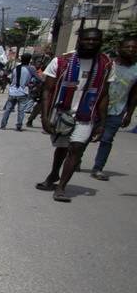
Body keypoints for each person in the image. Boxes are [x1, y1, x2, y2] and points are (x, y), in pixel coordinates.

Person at [36, 28, 112, 203]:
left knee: (76, 149)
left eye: (95, 40)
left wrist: (102, 123)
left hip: (86, 115)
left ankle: (61, 187)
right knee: (62, 147)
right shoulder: (62, 62)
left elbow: (104, 95)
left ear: (101, 42)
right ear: (80, 41)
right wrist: (45, 117)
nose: (91, 43)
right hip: (62, 112)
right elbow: (47, 92)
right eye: (87, 39)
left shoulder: (106, 65)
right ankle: (54, 175)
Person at [90, 34, 137, 180]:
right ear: (119, 48)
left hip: (117, 110)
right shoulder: (108, 64)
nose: (130, 49)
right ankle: (76, 159)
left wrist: (129, 114)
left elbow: (135, 94)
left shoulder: (136, 70)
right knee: (86, 136)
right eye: (127, 47)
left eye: (134, 48)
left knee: (107, 139)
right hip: (95, 107)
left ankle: (98, 168)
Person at [0, 53, 37, 131]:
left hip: (13, 91)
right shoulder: (31, 69)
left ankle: (3, 124)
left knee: (8, 109)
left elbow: (9, 77)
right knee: (21, 110)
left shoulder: (16, 68)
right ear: (30, 60)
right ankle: (18, 126)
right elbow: (39, 78)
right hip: (23, 91)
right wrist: (33, 85)